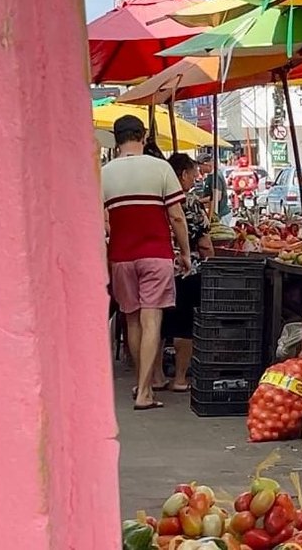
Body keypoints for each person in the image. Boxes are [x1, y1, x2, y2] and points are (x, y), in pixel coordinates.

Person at [102, 116, 192, 410]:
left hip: (121, 257)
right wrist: (185, 252)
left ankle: (145, 384)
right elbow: (177, 216)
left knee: (132, 319)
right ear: (142, 136)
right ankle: (145, 391)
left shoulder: (105, 174)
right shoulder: (160, 168)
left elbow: (100, 221)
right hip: (156, 254)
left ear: (116, 140)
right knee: (152, 319)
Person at [161, 153, 214, 392]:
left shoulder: (154, 199)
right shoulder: (189, 202)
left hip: (157, 267)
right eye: (193, 175)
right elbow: (204, 243)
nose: (195, 179)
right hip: (186, 269)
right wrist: (209, 262)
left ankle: (155, 377)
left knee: (155, 324)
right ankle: (180, 378)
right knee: (183, 324)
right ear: (182, 175)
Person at [196, 152, 231, 225]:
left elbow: (217, 197)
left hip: (221, 214)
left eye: (200, 166)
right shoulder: (211, 176)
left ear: (206, 164)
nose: (199, 169)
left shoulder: (215, 176)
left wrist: (199, 201)